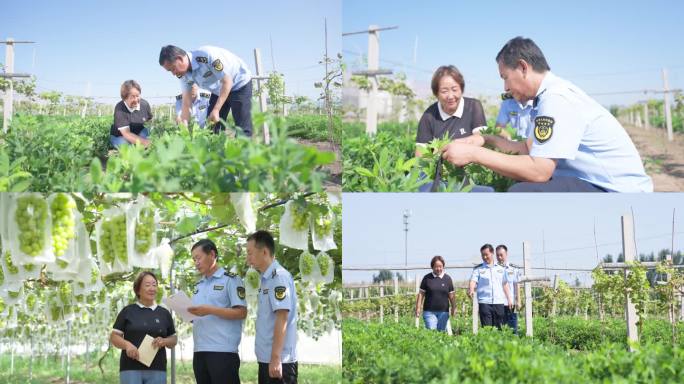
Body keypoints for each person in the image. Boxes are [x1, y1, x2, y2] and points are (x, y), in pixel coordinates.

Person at [441, 36, 653, 192]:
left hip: (617, 190)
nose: (505, 87)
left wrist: (473, 155)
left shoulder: (556, 99)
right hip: (598, 182)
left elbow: (540, 171)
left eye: (505, 77)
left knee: (521, 192)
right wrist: (485, 139)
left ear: (523, 67)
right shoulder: (545, 98)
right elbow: (526, 148)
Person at [416, 65, 493, 192]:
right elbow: (420, 157)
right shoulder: (428, 116)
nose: (450, 96)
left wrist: (447, 147)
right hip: (440, 179)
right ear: (436, 94)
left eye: (454, 89)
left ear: (461, 89)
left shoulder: (473, 106)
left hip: (470, 175)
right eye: (444, 91)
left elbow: (481, 138)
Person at [188, 239, 247, 384]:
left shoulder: (231, 280)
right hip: (200, 350)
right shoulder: (198, 285)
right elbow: (198, 315)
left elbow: (241, 312)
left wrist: (209, 310)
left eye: (199, 258)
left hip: (222, 351)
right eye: (194, 259)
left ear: (212, 254)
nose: (196, 263)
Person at [159, 45, 253, 136]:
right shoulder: (183, 75)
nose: (173, 73)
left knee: (242, 130)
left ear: (180, 58)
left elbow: (227, 81)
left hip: (238, 83)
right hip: (218, 89)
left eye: (173, 69)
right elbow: (186, 103)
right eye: (170, 71)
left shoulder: (206, 55)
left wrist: (216, 109)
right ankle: (217, 150)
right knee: (212, 129)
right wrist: (184, 125)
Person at [246, 230, 298, 384]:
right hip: (268, 358)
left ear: (264, 251)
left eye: (250, 253)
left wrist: (276, 358)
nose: (247, 258)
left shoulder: (278, 277)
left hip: (279, 361)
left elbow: (282, 316)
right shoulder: (266, 278)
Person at [110, 271, 177, 384]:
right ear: (138, 289)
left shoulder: (164, 313)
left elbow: (173, 340)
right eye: (147, 285)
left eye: (154, 285)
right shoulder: (128, 311)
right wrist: (127, 345)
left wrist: (164, 341)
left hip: (157, 368)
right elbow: (114, 337)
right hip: (130, 368)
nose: (152, 288)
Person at [468, 244, 513, 329]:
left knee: (500, 329)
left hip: (499, 302)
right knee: (487, 329)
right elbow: (473, 281)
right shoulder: (478, 269)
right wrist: (471, 289)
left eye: (486, 254)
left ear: (492, 253)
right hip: (484, 303)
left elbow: (505, 284)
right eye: (482, 255)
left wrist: (509, 299)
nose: (484, 257)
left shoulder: (501, 268)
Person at [415, 255, 456, 332]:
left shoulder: (447, 279)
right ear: (432, 267)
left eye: (440, 266)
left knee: (441, 333)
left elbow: (451, 295)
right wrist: (418, 307)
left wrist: (454, 307)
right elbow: (421, 294)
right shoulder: (427, 278)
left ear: (443, 266)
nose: (438, 269)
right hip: (429, 312)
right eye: (436, 266)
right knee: (432, 332)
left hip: (444, 312)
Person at [111, 80, 153, 148]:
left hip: (139, 132)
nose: (136, 100)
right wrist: (145, 142)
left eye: (137, 96)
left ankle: (138, 144)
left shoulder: (144, 104)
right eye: (132, 97)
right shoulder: (120, 108)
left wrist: (150, 138)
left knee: (146, 136)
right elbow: (126, 133)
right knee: (125, 145)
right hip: (120, 135)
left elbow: (150, 121)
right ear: (124, 98)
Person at [495, 244, 520, 335]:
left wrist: (518, 300)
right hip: (498, 303)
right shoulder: (494, 269)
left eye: (501, 255)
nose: (499, 257)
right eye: (497, 255)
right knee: (500, 328)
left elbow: (516, 285)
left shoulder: (513, 269)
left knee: (512, 328)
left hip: (510, 302)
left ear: (506, 254)